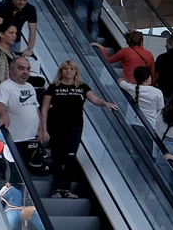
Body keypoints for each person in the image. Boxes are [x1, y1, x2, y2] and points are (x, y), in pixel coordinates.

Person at [40, 59, 118, 200]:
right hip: (56, 126)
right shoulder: (53, 87)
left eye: (72, 69)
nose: (68, 71)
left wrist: (105, 103)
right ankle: (57, 189)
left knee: (70, 157)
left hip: (75, 127)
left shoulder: (82, 87)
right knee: (57, 158)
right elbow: (44, 109)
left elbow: (95, 100)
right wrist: (43, 129)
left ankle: (67, 189)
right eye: (66, 69)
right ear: (61, 71)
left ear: (76, 72)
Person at [0, 56, 43, 166]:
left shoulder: (30, 87)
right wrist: (3, 115)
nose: (25, 72)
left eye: (28, 69)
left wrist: (41, 129)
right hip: (15, 140)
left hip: (32, 139)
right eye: (21, 68)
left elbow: (36, 108)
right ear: (11, 70)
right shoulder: (5, 87)